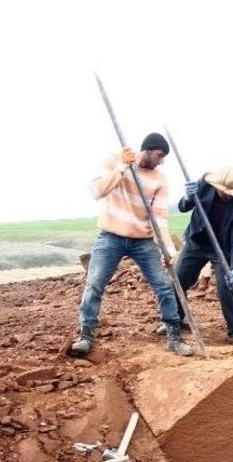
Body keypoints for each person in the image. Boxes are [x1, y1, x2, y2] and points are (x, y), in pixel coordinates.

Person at [70, 133, 193, 357]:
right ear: (147, 150)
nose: (162, 161)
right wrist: (121, 168)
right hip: (111, 236)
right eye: (160, 155)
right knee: (95, 284)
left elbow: (160, 217)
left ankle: (174, 336)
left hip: (143, 241)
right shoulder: (116, 160)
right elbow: (97, 191)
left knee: (164, 286)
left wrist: (168, 248)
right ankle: (86, 335)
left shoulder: (160, 179)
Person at [160, 167, 233, 344]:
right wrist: (188, 196)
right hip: (196, 242)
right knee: (177, 281)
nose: (227, 195)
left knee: (226, 287)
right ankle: (176, 320)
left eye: (230, 192)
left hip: (221, 248)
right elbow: (183, 207)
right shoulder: (204, 184)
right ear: (216, 185)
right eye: (224, 191)